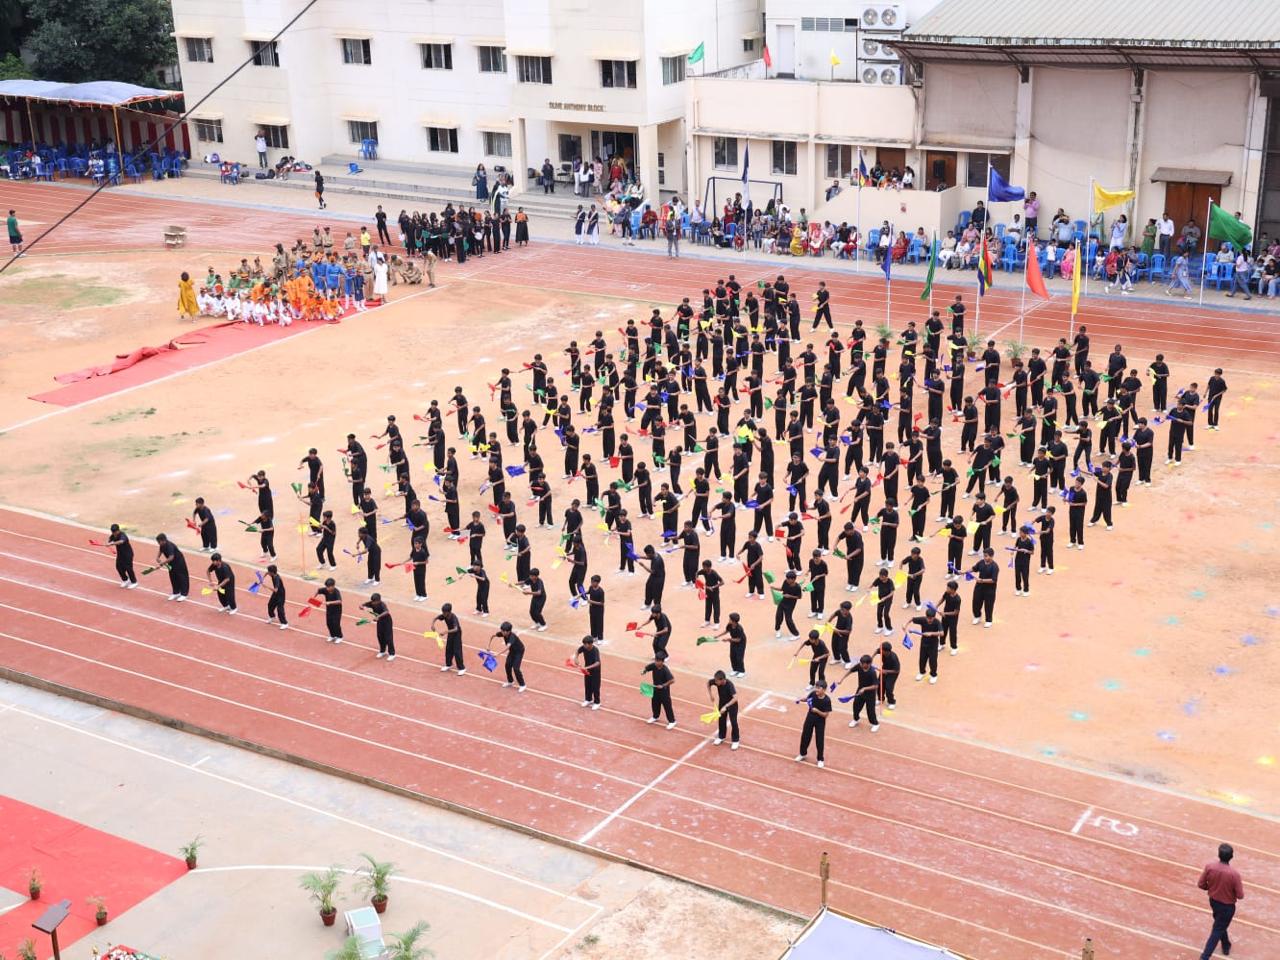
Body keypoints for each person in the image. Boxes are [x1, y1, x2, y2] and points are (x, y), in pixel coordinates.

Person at [1197, 843, 1243, 960]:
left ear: (1219, 854)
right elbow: (1240, 895)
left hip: (1214, 902)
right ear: (1231, 856)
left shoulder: (1210, 867)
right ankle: (1204, 957)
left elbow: (1201, 884)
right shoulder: (1234, 874)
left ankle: (1226, 945)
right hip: (1227, 907)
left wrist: (1212, 888)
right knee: (1217, 930)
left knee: (1220, 924)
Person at [795, 687, 832, 768]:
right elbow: (807, 699)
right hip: (810, 717)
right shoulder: (813, 694)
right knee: (805, 736)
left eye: (819, 688)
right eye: (817, 688)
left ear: (824, 690)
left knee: (819, 740)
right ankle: (802, 754)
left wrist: (817, 711)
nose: (817, 690)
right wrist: (801, 699)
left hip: (820, 721)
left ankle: (820, 759)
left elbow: (825, 715)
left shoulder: (827, 700)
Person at [707, 670, 740, 748]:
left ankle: (735, 740)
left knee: (733, 722)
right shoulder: (716, 681)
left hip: (732, 705)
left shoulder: (729, 685)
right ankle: (721, 736)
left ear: (722, 680)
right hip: (722, 703)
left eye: (717, 681)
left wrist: (726, 706)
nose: (715, 682)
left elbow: (735, 698)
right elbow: (708, 683)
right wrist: (710, 694)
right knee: (721, 720)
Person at [643, 651, 677, 728]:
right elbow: (647, 668)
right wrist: (644, 671)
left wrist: (663, 685)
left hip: (664, 691)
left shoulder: (665, 670)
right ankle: (655, 716)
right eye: (655, 660)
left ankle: (672, 721)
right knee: (655, 703)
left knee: (667, 705)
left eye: (658, 661)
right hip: (655, 689)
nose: (656, 662)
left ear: (662, 661)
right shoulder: (654, 666)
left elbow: (672, 680)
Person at [490, 621, 526, 691]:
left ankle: (522, 685)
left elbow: (507, 647)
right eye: (501, 630)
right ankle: (510, 681)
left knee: (516, 668)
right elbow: (492, 636)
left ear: (508, 631)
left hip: (519, 651)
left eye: (503, 631)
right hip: (512, 651)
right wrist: (488, 645)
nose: (502, 632)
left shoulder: (512, 637)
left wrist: (498, 654)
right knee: (507, 665)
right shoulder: (502, 633)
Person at [154, 533, 189, 601]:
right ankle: (176, 592)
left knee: (182, 577)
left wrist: (161, 564)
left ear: (163, 540)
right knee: (173, 576)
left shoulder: (169, 546)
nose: (158, 543)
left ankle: (184, 594)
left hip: (179, 562)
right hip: (171, 563)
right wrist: (157, 557)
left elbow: (171, 557)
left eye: (159, 542)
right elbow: (160, 550)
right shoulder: (162, 545)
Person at [361, 593, 395, 660]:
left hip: (387, 621)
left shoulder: (382, 604)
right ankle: (382, 651)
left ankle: (392, 654)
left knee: (388, 637)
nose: (373, 603)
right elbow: (364, 604)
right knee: (380, 636)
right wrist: (361, 606)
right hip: (380, 621)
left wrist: (378, 616)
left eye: (374, 602)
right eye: (372, 601)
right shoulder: (371, 603)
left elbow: (387, 612)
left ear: (378, 600)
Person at [574, 635, 602, 708]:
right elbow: (577, 651)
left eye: (585, 644)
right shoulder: (584, 647)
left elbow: (597, 663)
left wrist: (587, 667)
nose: (584, 646)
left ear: (590, 644)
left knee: (595, 687)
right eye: (584, 644)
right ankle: (588, 699)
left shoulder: (595, 650)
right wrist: (576, 658)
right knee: (587, 685)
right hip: (586, 670)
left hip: (595, 672)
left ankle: (597, 702)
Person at [106, 524, 137, 588]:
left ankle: (134, 582)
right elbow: (110, 539)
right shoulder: (113, 535)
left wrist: (112, 543)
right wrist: (108, 543)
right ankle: (125, 580)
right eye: (112, 532)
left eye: (114, 532)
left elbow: (121, 541)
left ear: (118, 530)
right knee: (118, 567)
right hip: (120, 554)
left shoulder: (123, 535)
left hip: (128, 554)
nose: (113, 533)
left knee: (128, 568)